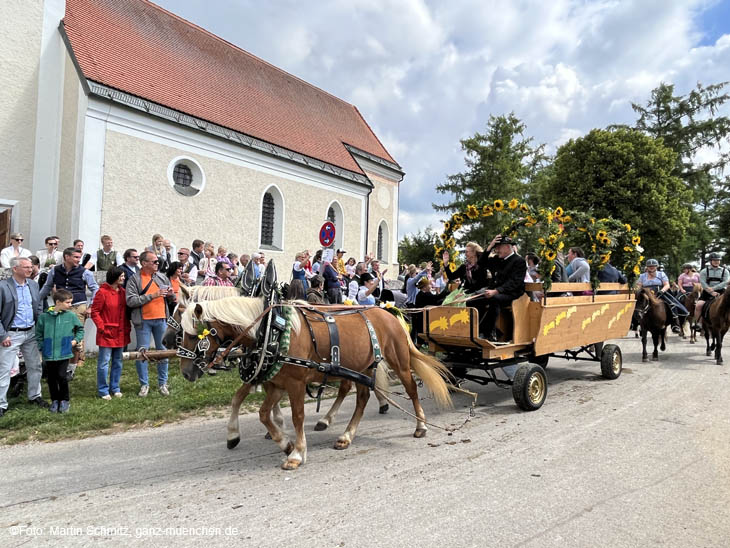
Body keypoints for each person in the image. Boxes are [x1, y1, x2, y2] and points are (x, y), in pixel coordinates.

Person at [39, 247, 99, 380]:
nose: (79, 260)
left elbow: (95, 289)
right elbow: (47, 287)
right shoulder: (55, 270)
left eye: (79, 257)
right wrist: (36, 300)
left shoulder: (85, 272)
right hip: (59, 306)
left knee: (75, 339)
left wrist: (91, 306)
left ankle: (71, 370)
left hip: (78, 306)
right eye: (76, 257)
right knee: (57, 335)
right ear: (66, 257)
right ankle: (56, 366)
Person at [0, 257, 47, 416]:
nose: (30, 269)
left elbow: (38, 307)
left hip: (31, 332)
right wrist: (3, 335)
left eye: (31, 267)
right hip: (11, 334)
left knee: (35, 366)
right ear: (15, 269)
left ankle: (35, 396)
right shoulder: (3, 286)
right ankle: (1, 404)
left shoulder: (33, 285)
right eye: (26, 267)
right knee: (4, 369)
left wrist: (39, 327)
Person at [126, 250, 175, 397]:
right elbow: (130, 301)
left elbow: (170, 298)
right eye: (154, 262)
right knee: (143, 353)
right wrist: (152, 295)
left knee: (163, 352)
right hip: (143, 321)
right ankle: (144, 384)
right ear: (144, 263)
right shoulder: (134, 279)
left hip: (161, 319)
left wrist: (171, 295)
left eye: (157, 261)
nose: (157, 264)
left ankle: (163, 383)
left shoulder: (162, 277)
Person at [35, 289, 84, 414]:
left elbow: (80, 329)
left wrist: (75, 340)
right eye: (67, 302)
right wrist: (42, 346)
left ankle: (64, 400)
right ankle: (55, 400)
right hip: (49, 354)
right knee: (51, 378)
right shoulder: (44, 317)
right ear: (58, 302)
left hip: (64, 352)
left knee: (62, 376)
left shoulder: (71, 316)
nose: (70, 305)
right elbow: (39, 333)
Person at [90, 267, 130, 400]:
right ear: (115, 276)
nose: (123, 278)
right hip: (107, 332)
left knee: (118, 362)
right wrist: (102, 328)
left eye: (124, 276)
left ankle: (115, 387)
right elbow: (95, 312)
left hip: (120, 332)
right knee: (104, 362)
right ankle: (103, 390)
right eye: (121, 276)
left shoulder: (123, 292)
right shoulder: (102, 292)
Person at [479, 235, 527, 340]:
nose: (496, 250)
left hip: (512, 294)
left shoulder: (519, 261)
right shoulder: (497, 259)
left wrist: (496, 291)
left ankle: (487, 333)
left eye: (498, 247)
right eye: (495, 247)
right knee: (475, 299)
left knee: (494, 300)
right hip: (496, 292)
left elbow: (514, 282)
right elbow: (481, 263)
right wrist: (489, 247)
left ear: (507, 247)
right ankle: (482, 330)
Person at [637, 258, 687, 330]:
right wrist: (638, 291)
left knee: (672, 304)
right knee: (637, 305)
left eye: (653, 266)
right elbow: (639, 285)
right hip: (646, 294)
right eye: (649, 266)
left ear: (656, 267)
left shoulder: (661, 274)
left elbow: (667, 285)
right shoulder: (642, 276)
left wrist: (662, 291)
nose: (651, 267)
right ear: (647, 267)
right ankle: (636, 323)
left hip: (660, 293)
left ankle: (675, 323)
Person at [694, 253, 729, 327]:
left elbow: (725, 282)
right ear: (710, 261)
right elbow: (703, 283)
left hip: (722, 292)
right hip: (707, 292)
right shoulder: (704, 271)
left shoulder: (725, 271)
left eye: (718, 260)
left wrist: (713, 288)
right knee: (698, 305)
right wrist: (711, 292)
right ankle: (699, 323)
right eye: (714, 260)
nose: (717, 261)